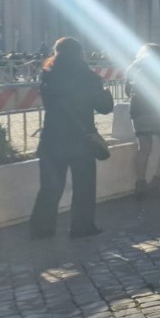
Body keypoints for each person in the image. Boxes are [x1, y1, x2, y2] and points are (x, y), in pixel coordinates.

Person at [29, 37, 115, 239]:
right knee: (84, 186)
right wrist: (107, 94)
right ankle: (81, 227)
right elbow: (104, 108)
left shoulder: (48, 75)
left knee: (50, 187)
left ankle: (41, 229)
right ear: (80, 53)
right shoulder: (88, 76)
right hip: (80, 140)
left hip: (52, 138)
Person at [125, 43, 160, 199]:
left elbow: (127, 91)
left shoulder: (134, 67)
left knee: (144, 148)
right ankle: (157, 181)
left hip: (139, 109)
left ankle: (140, 183)